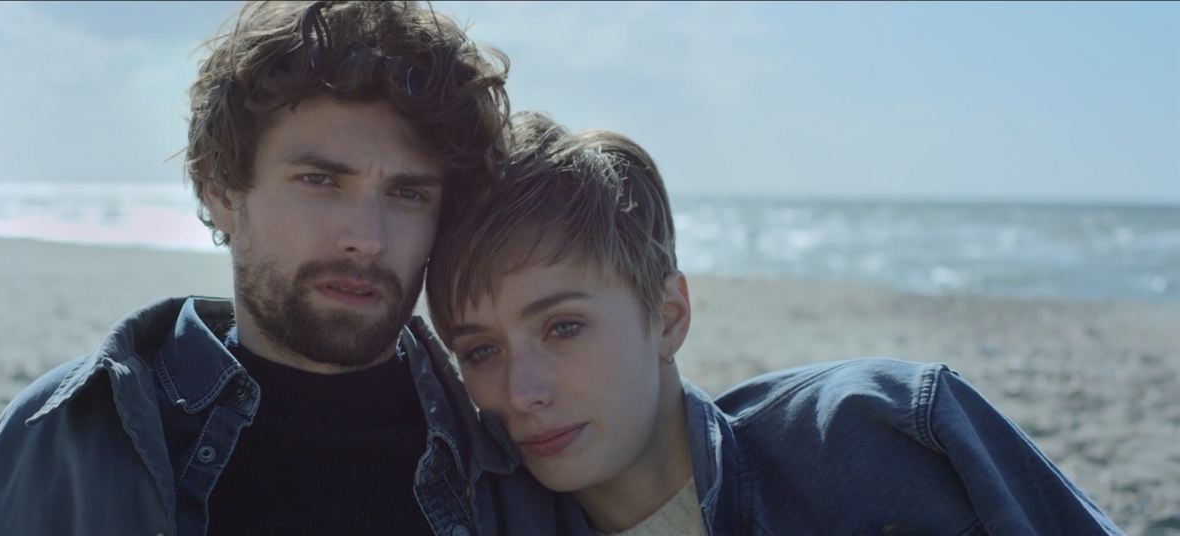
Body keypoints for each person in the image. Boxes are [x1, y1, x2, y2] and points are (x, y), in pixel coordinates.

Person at [0, 2, 560, 535]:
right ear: (223, 190)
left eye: (407, 194)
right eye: (319, 181)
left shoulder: (516, 467)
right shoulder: (62, 438)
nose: (365, 239)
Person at [425, 113, 1125, 535]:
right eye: (481, 348)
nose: (522, 391)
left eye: (563, 327)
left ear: (667, 317)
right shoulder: (482, 512)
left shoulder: (884, 429)